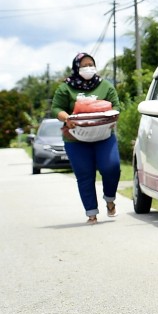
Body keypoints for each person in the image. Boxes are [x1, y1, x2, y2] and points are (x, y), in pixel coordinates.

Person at [52, 53, 121, 225]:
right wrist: (67, 118)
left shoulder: (105, 86)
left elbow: (117, 106)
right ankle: (91, 213)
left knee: (112, 167)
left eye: (91, 64)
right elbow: (56, 108)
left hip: (104, 136)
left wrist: (113, 118)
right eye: (84, 65)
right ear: (76, 68)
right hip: (76, 140)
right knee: (85, 175)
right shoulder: (66, 88)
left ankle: (110, 199)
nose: (88, 68)